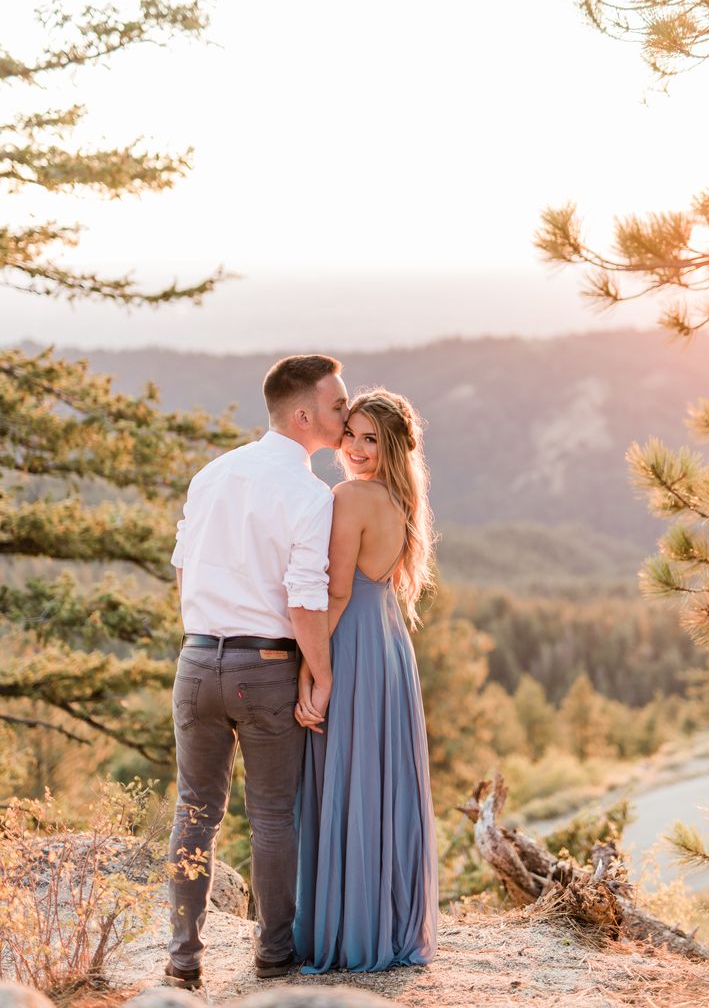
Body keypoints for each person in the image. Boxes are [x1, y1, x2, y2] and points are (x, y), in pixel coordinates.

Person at [165, 354, 349, 990]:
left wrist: (206, 633)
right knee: (272, 816)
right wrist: (320, 675)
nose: (345, 414)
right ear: (303, 416)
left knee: (195, 812)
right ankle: (273, 957)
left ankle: (183, 961)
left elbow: (184, 569)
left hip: (195, 659)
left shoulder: (212, 473)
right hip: (266, 666)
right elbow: (305, 599)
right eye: (336, 406)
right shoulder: (308, 493)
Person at [293, 388, 438, 973]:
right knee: (379, 782)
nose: (353, 447)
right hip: (389, 646)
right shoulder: (403, 500)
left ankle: (348, 932)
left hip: (351, 642)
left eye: (369, 438)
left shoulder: (348, 497)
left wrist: (312, 669)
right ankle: (383, 919)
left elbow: (337, 591)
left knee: (348, 775)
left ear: (392, 445)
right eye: (349, 433)